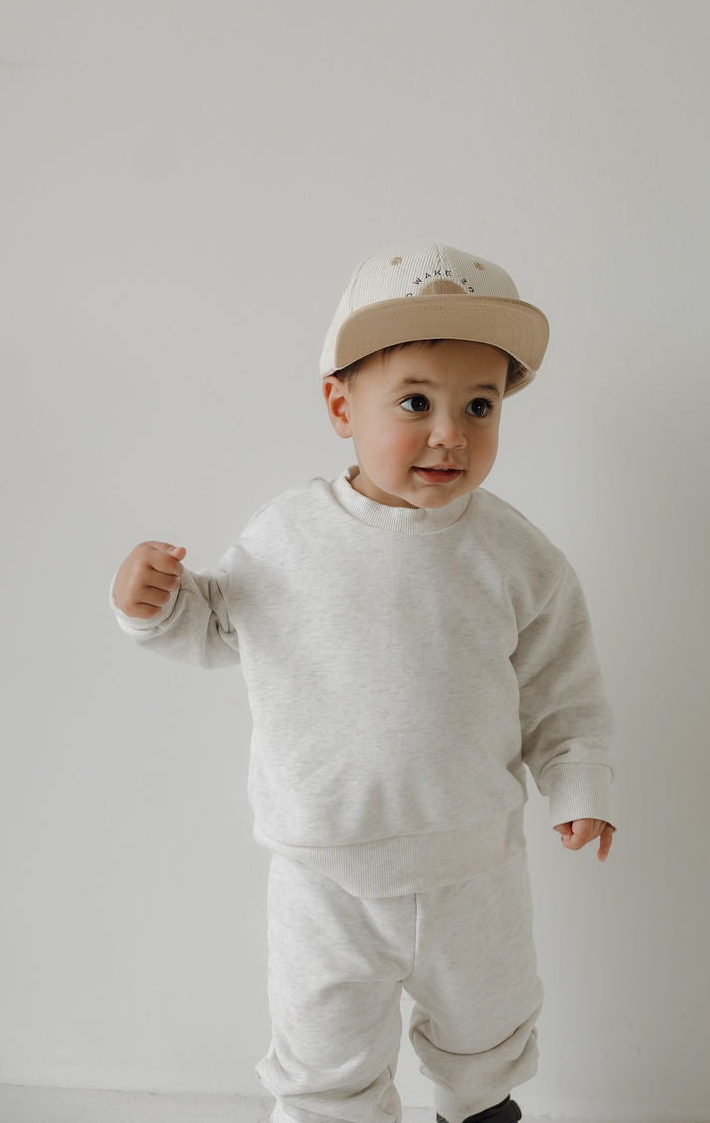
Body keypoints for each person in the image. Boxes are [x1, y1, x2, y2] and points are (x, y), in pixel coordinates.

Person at [111, 242, 618, 1123]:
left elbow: (561, 687)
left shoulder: (515, 555)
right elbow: (217, 626)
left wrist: (579, 783)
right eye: (415, 401)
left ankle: (481, 1109)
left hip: (474, 861)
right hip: (325, 873)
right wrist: (153, 603)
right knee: (323, 1051)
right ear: (340, 405)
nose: (450, 432)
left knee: (486, 1032)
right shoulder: (288, 537)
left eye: (480, 405)